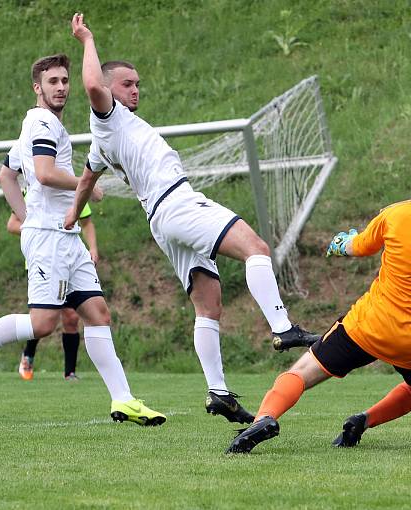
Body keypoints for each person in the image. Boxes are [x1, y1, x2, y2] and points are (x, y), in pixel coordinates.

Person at [66, 14, 320, 425]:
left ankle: (218, 392)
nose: (135, 91)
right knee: (255, 248)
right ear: (111, 88)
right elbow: (93, 85)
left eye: (137, 84)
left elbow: (85, 181)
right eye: (127, 84)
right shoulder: (107, 117)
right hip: (177, 203)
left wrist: (70, 220)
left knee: (208, 305)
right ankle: (283, 327)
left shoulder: (104, 140)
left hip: (161, 219)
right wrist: (87, 39)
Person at [0, 54, 165, 427]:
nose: (61, 87)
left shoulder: (38, 124)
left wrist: (27, 220)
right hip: (50, 239)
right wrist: (85, 186)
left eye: (64, 80)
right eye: (53, 81)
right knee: (43, 325)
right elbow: (43, 174)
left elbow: (5, 176)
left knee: (97, 314)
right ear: (37, 88)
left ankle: (123, 400)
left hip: (64, 236)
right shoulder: (42, 123)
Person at [225, 148, 411, 453]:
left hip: (369, 327)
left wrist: (341, 242)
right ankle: (363, 421)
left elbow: (357, 247)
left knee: (302, 372)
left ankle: (265, 418)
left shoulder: (394, 214)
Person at [1, 150, 99, 381]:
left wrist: (93, 248)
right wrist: (41, 228)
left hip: (69, 255)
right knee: (44, 319)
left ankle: (70, 372)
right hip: (44, 256)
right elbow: (12, 224)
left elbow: (86, 223)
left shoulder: (73, 191)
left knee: (73, 317)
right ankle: (28, 354)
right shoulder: (34, 191)